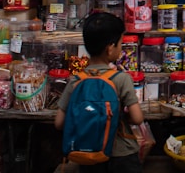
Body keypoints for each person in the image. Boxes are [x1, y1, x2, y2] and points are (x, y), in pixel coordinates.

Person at [54, 12, 145, 173]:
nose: (121, 48)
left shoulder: (76, 80)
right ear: (110, 49)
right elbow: (138, 118)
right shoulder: (121, 78)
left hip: (88, 152)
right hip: (122, 153)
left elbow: (59, 123)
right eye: (120, 44)